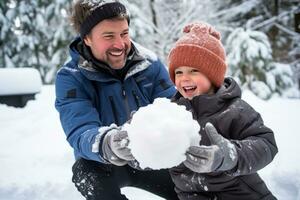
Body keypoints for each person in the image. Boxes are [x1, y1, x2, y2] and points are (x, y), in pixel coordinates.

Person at [54, 1, 177, 199]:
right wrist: (108, 143)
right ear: (87, 39)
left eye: (124, 34)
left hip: (149, 156)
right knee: (85, 170)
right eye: (109, 36)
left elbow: (175, 109)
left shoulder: (150, 64)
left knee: (194, 187)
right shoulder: (71, 77)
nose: (120, 44)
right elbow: (79, 130)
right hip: (104, 162)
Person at [167, 21, 278, 200]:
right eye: (178, 72)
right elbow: (151, 149)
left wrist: (230, 155)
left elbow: (266, 145)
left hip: (240, 194)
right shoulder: (170, 113)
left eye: (194, 71)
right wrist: (136, 141)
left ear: (213, 75)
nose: (184, 78)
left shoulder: (235, 110)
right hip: (192, 195)